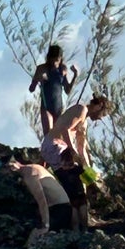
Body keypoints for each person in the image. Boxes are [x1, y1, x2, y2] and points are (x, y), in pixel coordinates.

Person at [41, 95, 110, 231]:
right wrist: (72, 152)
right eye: (103, 113)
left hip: (57, 152)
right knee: (79, 194)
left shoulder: (84, 122)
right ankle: (82, 230)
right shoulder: (81, 109)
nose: (101, 117)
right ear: (99, 105)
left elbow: (81, 147)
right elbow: (64, 129)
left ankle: (78, 229)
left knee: (75, 193)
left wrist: (88, 169)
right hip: (56, 147)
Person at [6, 157, 73, 233]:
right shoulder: (35, 167)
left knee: (34, 233)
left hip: (59, 210)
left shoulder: (29, 173)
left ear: (13, 166)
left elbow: (41, 200)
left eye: (8, 169)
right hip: (65, 206)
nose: (8, 173)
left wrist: (46, 226)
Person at [29, 44, 80, 137]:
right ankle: (47, 150)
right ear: (48, 58)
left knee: (59, 136)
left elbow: (67, 90)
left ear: (60, 59)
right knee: (49, 134)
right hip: (46, 107)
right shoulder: (41, 68)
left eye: (56, 60)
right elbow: (31, 89)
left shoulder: (63, 69)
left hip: (59, 107)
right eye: (52, 60)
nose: (54, 63)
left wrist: (75, 76)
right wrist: (38, 79)